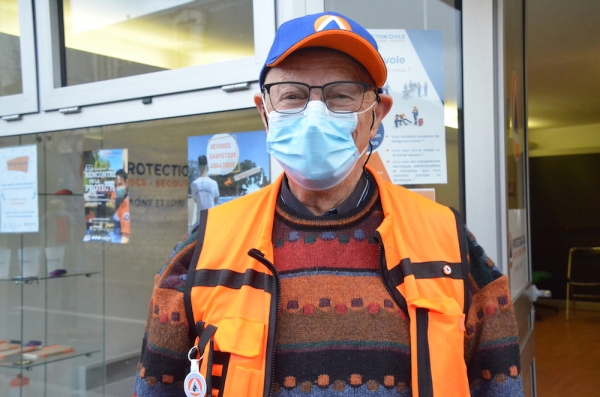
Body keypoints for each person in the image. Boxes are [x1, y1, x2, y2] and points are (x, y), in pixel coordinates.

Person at [134, 12, 523, 397]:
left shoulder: (448, 241)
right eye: (292, 95)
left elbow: (499, 382)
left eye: (341, 95)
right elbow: (156, 385)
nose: (315, 115)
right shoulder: (204, 246)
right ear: (264, 112)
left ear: (376, 115)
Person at [190, 155, 220, 222]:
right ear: (208, 168)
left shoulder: (193, 184)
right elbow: (216, 200)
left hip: (200, 219)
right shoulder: (214, 183)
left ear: (198, 168)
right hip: (212, 218)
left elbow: (196, 200)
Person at [111, 169, 130, 244]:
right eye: (115, 185)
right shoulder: (120, 200)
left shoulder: (127, 204)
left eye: (120, 184)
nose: (117, 188)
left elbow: (126, 237)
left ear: (127, 183)